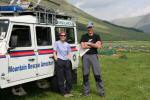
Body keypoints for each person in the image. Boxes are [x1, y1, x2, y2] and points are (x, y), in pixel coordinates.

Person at [80, 22, 105, 97]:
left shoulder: (97, 36)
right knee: (85, 75)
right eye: (88, 28)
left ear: (93, 28)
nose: (89, 29)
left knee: (97, 74)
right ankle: (86, 92)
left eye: (90, 27)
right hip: (85, 56)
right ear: (87, 29)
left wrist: (89, 44)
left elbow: (99, 46)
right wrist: (94, 44)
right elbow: (83, 46)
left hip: (94, 56)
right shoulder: (83, 36)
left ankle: (101, 92)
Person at [53, 31, 73, 97]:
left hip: (66, 61)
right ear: (60, 36)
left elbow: (70, 52)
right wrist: (57, 60)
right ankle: (63, 93)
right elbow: (54, 52)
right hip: (60, 61)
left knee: (69, 78)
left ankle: (68, 91)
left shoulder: (67, 44)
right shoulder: (56, 43)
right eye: (61, 35)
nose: (63, 36)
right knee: (60, 78)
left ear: (65, 37)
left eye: (64, 35)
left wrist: (68, 59)